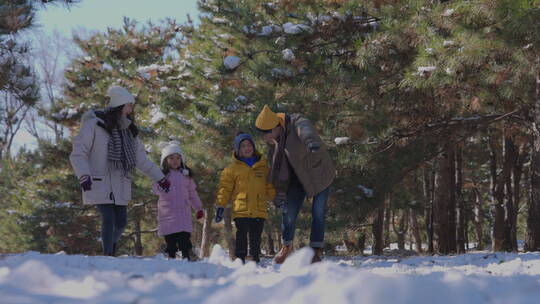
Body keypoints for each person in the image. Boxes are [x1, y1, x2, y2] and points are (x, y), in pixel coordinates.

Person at [70, 85, 170, 256]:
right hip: (99, 180)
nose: (131, 109)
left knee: (121, 223)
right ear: (120, 105)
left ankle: (111, 246)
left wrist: (160, 178)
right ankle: (107, 254)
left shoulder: (130, 131)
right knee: (108, 218)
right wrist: (84, 175)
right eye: (129, 105)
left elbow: (141, 160)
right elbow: (79, 153)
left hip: (120, 182)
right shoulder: (95, 125)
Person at [255, 105, 335, 264]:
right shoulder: (275, 141)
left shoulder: (296, 121)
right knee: (288, 214)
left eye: (267, 133)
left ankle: (315, 251)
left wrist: (310, 141)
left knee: (318, 213)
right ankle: (286, 246)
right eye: (262, 133)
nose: (265, 137)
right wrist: (277, 192)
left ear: (276, 127)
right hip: (296, 179)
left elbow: (305, 129)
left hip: (318, 174)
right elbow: (276, 169)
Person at [215, 132, 276, 263]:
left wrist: (275, 198)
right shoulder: (231, 169)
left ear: (253, 147)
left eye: (249, 145)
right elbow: (224, 189)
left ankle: (255, 258)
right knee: (241, 234)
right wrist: (221, 205)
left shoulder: (263, 167)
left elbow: (269, 185)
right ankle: (240, 259)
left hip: (259, 208)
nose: (247, 148)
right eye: (243, 146)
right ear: (238, 150)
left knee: (256, 236)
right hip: (241, 208)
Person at [153, 141, 204, 260]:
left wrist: (198, 208)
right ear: (165, 160)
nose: (175, 160)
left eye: (178, 158)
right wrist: (161, 185)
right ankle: (171, 258)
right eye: (171, 158)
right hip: (168, 214)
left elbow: (192, 193)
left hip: (183, 214)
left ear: (182, 160)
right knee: (171, 240)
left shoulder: (186, 175)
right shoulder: (161, 175)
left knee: (184, 239)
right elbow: (155, 189)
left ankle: (187, 257)